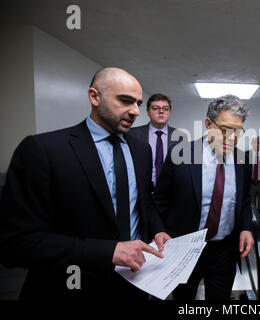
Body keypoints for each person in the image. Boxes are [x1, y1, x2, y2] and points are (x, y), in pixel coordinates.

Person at [0, 67, 171, 300]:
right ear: (94, 97)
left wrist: (158, 230)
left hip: (136, 283)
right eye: (125, 100)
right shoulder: (43, 150)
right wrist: (109, 251)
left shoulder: (141, 150)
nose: (134, 111)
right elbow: (16, 243)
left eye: (138, 104)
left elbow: (145, 202)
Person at [152, 94, 254, 301]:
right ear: (208, 124)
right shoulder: (180, 154)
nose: (232, 138)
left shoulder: (243, 159)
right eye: (225, 130)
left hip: (224, 251)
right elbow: (158, 201)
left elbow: (244, 201)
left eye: (238, 131)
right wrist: (159, 231)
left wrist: (246, 227)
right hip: (185, 249)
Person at [129, 93, 187, 187]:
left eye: (165, 108)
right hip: (141, 190)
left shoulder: (181, 137)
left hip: (169, 193)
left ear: (170, 112)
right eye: (155, 108)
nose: (161, 111)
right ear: (148, 111)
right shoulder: (132, 134)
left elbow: (182, 170)